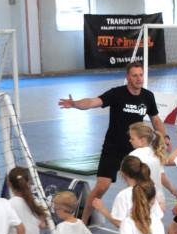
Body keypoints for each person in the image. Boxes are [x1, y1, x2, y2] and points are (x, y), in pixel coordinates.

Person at [57, 62, 162, 224]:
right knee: (101, 187)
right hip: (114, 148)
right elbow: (93, 102)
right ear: (127, 77)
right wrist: (76, 104)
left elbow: (155, 119)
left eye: (140, 75)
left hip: (136, 150)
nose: (138, 79)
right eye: (134, 75)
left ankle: (144, 220)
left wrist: (165, 137)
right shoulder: (116, 94)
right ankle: (83, 222)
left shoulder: (148, 96)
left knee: (142, 187)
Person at [129, 121, 177, 208]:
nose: (130, 140)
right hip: (158, 199)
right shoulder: (156, 154)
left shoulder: (134, 156)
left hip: (142, 198)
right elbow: (162, 178)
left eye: (132, 138)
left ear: (142, 140)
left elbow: (131, 179)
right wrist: (171, 189)